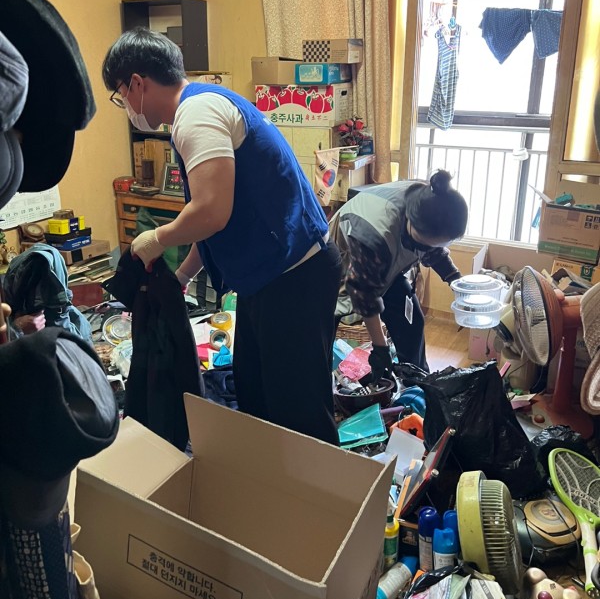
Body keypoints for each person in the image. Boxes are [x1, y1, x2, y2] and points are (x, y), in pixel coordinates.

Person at [102, 27, 342, 445]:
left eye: (120, 94)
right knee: (257, 399)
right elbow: (213, 221)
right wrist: (183, 275)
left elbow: (211, 212)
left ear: (137, 83)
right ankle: (269, 481)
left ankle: (330, 488)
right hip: (270, 278)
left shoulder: (196, 115)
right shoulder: (204, 106)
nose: (125, 105)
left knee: (299, 414)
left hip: (294, 277)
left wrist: (158, 238)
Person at [329, 170, 468, 377]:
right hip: (335, 270)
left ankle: (417, 381)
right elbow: (365, 296)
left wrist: (456, 281)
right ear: (410, 220)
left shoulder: (430, 198)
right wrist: (380, 349)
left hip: (384, 268)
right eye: (423, 244)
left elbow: (433, 249)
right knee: (321, 343)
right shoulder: (374, 234)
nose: (427, 250)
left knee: (411, 323)